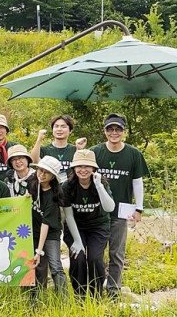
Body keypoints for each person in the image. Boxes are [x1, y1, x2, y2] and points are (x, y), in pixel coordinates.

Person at [90, 113, 149, 298]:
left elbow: (137, 182)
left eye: (118, 129)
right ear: (105, 131)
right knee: (95, 254)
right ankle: (95, 290)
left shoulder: (133, 154)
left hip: (120, 212)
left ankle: (113, 292)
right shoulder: (95, 152)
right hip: (96, 213)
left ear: (124, 131)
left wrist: (139, 208)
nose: (114, 133)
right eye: (110, 129)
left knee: (116, 254)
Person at [61, 149, 116, 297]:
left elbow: (110, 207)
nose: (83, 170)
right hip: (75, 227)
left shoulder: (101, 183)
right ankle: (80, 295)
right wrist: (77, 241)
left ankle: (96, 295)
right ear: (74, 168)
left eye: (87, 166)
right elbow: (68, 216)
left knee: (95, 258)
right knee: (78, 257)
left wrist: (98, 185)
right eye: (79, 166)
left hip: (98, 226)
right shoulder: (67, 186)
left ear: (93, 168)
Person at [27, 156, 68, 292]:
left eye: (47, 172)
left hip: (50, 233)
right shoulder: (32, 182)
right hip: (33, 230)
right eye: (40, 170)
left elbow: (46, 224)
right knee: (34, 265)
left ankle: (63, 297)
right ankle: (36, 296)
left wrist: (39, 251)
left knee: (55, 266)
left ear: (53, 176)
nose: (42, 174)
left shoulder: (53, 196)